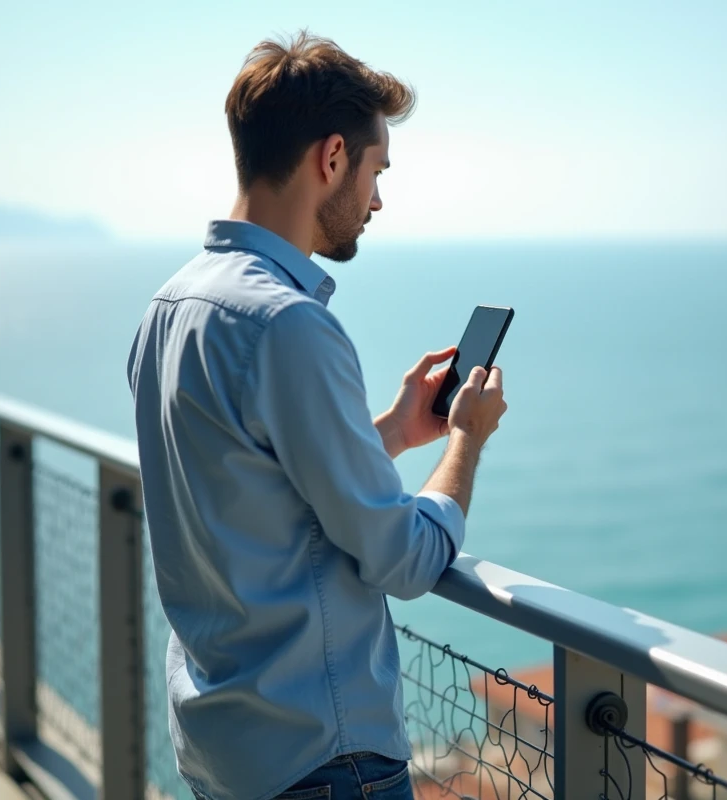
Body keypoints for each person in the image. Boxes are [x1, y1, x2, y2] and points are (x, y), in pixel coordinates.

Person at [126, 31, 507, 800]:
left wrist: (394, 431)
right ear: (332, 158)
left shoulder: (169, 307)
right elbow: (404, 559)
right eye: (376, 171)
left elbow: (258, 487)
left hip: (223, 749)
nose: (377, 200)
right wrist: (465, 441)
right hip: (321, 762)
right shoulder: (288, 323)